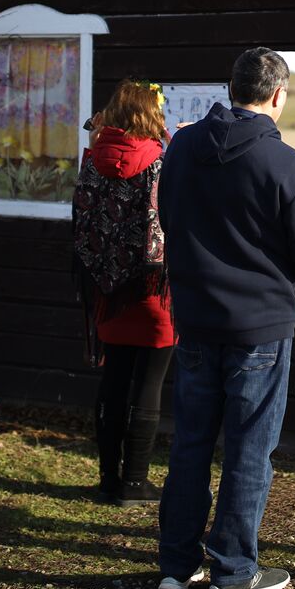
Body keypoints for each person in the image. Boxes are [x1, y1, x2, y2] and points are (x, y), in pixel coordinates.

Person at [155, 47, 295, 589]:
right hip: (258, 326)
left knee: (190, 443)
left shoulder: (182, 146)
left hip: (195, 318)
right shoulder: (286, 163)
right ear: (278, 96)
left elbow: (167, 217)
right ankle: (234, 570)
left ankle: (177, 563)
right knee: (248, 448)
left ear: (229, 87)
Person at [72, 79, 175, 507]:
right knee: (148, 382)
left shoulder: (94, 158)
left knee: (113, 380)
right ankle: (134, 483)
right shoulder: (161, 160)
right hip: (152, 288)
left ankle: (106, 481)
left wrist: (95, 132)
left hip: (108, 289)